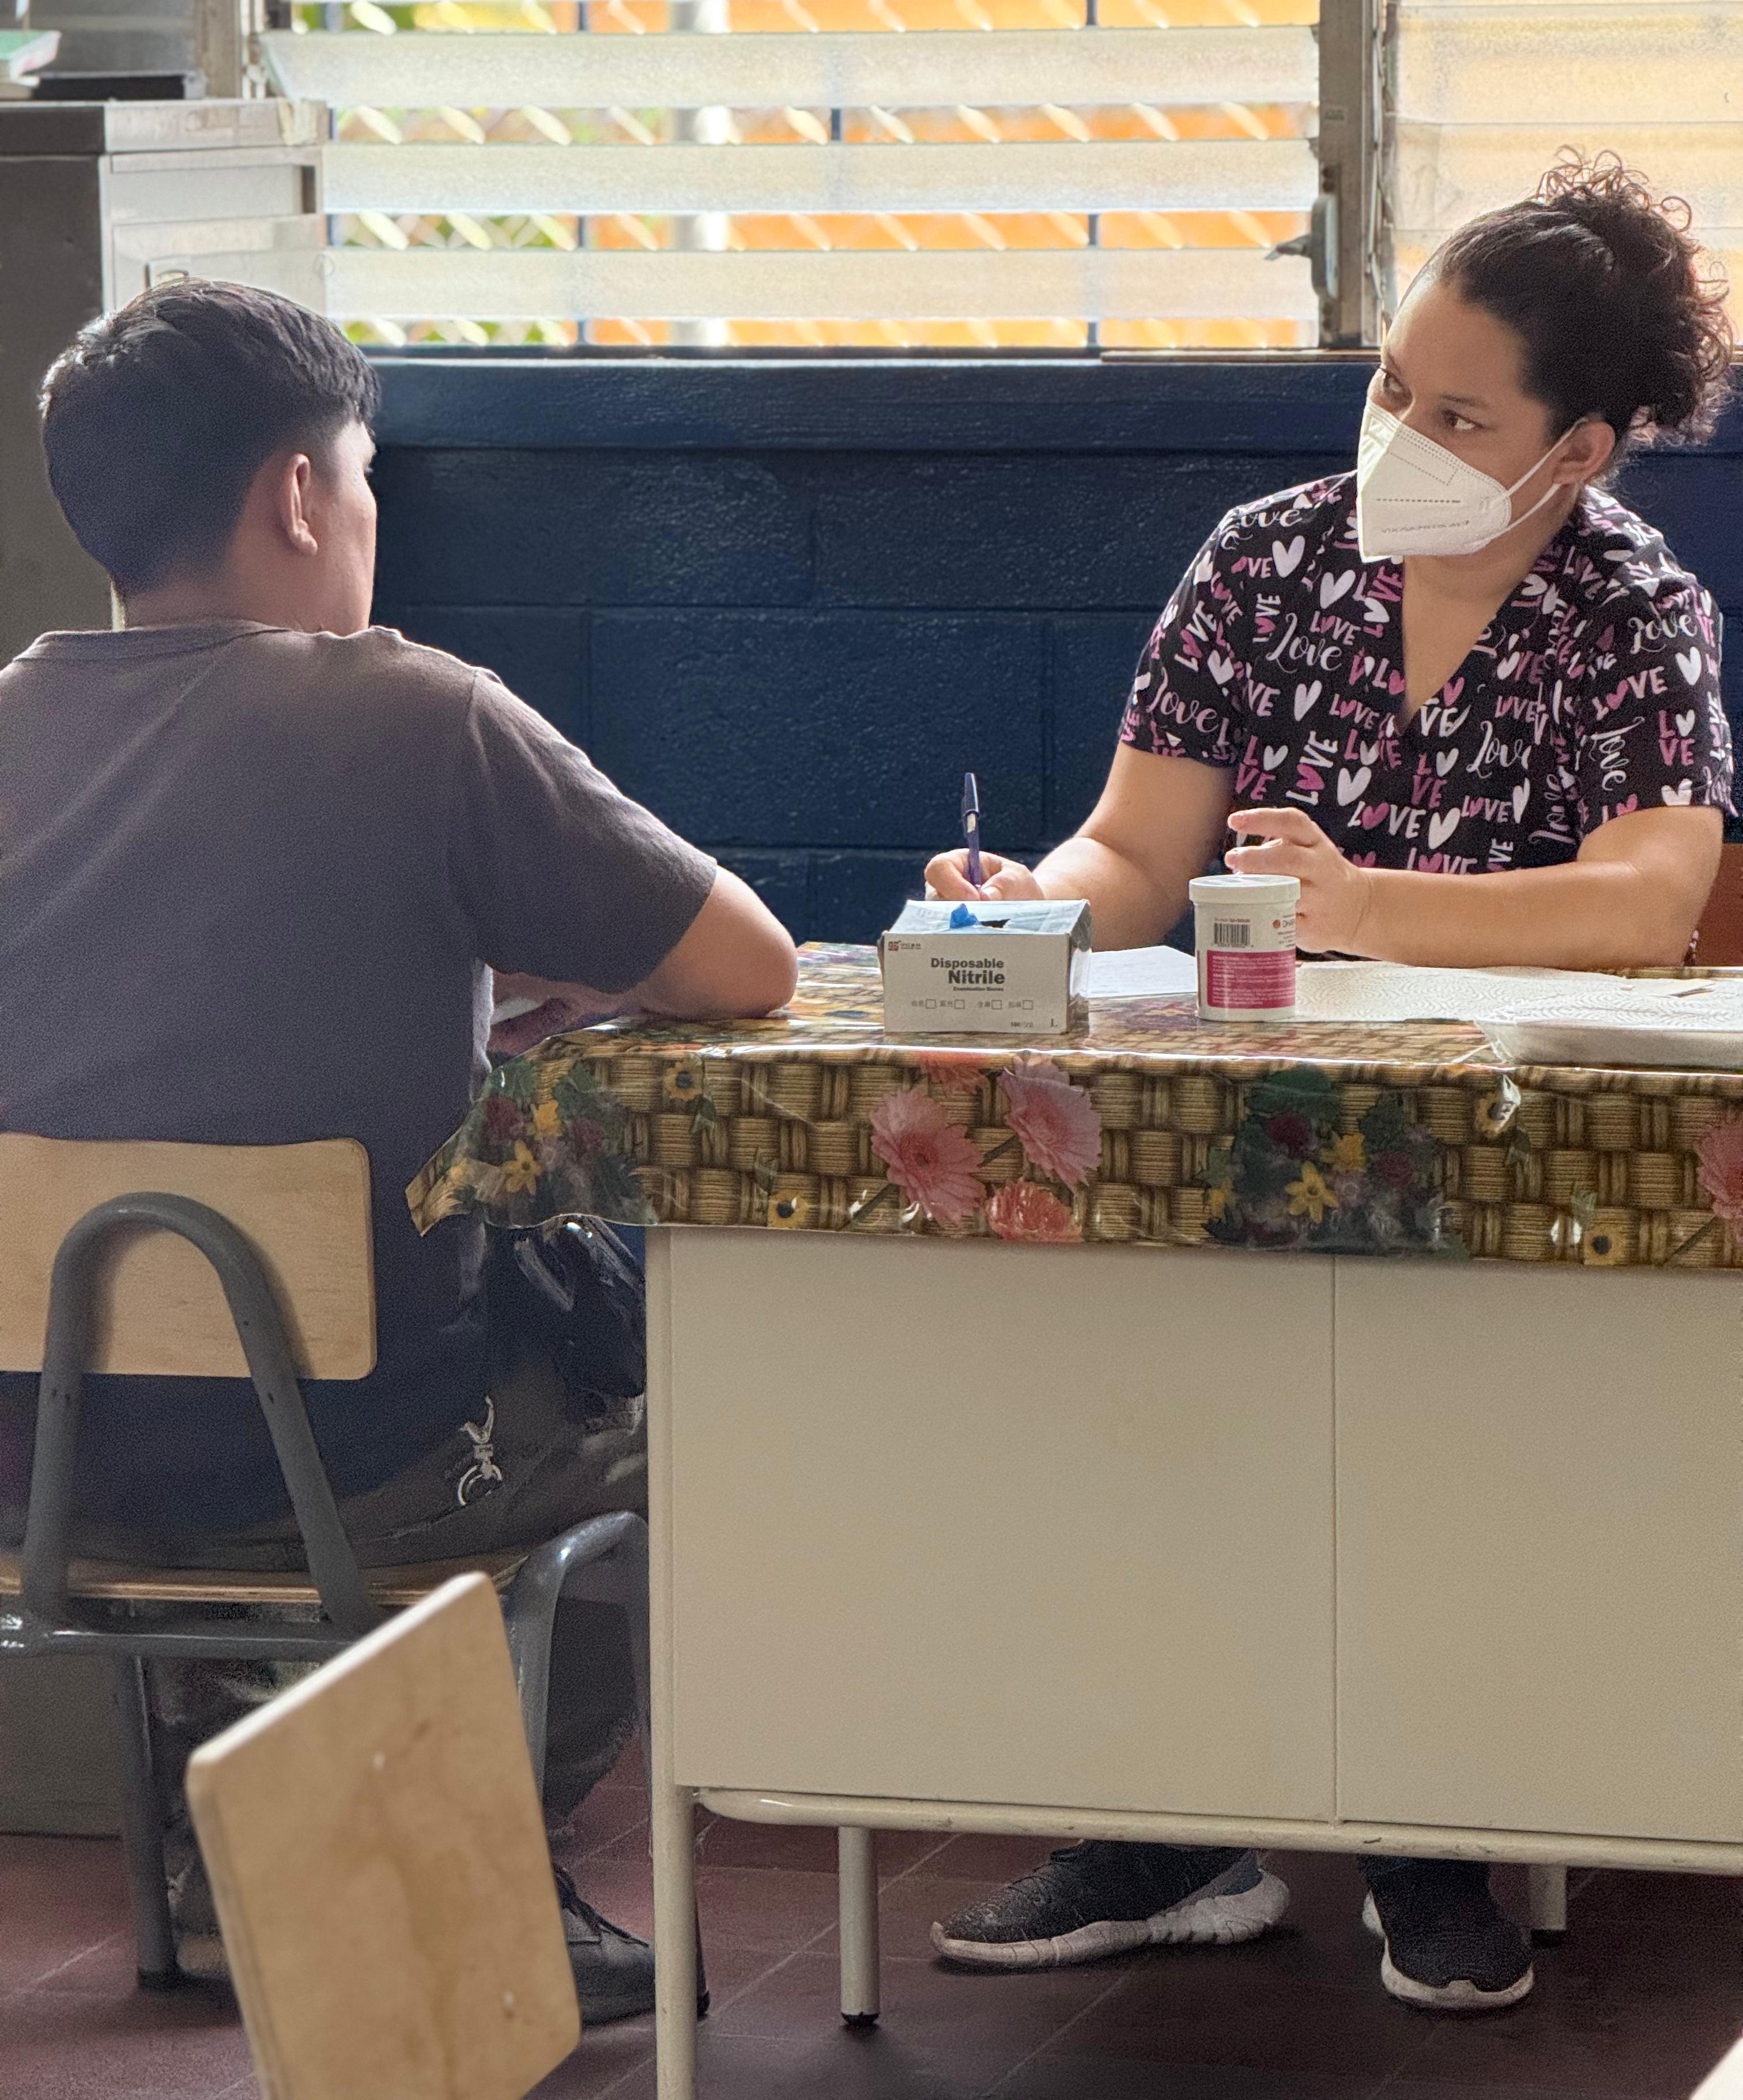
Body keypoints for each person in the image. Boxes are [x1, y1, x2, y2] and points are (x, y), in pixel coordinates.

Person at [923, 153, 1734, 2011]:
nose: (1402, 439)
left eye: (1461, 419)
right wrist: (1026, 903)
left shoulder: (1633, 611)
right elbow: (1137, 850)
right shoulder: (1268, 563)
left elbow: (1649, 899)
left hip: (1501, 1163)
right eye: (1391, 390)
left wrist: (1366, 904)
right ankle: (1169, 1827)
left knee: (1434, 1429)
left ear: (1577, 454)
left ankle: (1426, 1827)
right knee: (1148, 1401)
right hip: (1240, 1125)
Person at [0, 280, 798, 2018]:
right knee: (681, 1423)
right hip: (381, 1457)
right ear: (300, 496)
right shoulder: (414, 715)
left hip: (49, 1466)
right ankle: (465, 1869)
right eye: (364, 479)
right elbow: (750, 967)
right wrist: (573, 967)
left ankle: (239, 1829)